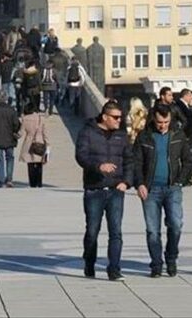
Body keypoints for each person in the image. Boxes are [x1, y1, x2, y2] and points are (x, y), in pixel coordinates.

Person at [133, 105, 192, 277]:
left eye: (166, 121)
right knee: (153, 230)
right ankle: (156, 263)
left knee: (176, 225)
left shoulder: (178, 135)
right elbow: (136, 162)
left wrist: (181, 180)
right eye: (160, 122)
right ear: (153, 118)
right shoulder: (144, 136)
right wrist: (139, 184)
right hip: (150, 189)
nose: (163, 125)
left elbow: (190, 159)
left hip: (172, 188)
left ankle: (171, 257)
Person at [75, 100, 133, 281]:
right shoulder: (88, 132)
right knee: (92, 230)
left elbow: (130, 161)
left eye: (120, 118)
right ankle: (89, 262)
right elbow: (81, 156)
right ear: (105, 117)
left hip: (116, 190)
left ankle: (114, 269)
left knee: (116, 231)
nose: (118, 121)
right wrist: (98, 166)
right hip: (95, 190)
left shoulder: (121, 136)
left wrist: (127, 182)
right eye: (115, 118)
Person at [19, 103, 49, 188]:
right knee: (39, 164)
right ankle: (39, 182)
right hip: (40, 141)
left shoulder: (25, 119)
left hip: (29, 142)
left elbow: (21, 133)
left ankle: (32, 182)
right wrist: (47, 144)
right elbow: (45, 133)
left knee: (30, 164)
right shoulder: (41, 119)